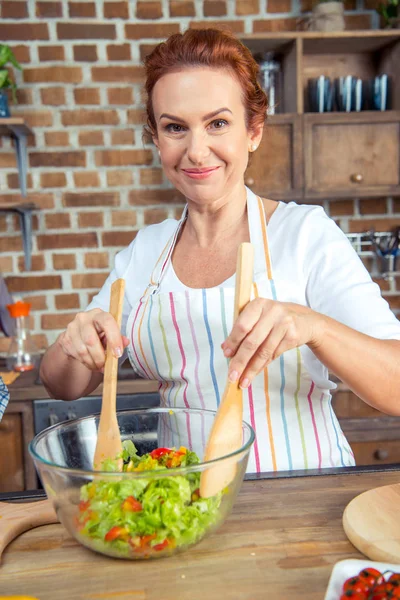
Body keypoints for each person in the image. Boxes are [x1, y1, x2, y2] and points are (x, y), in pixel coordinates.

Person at [40, 28, 400, 473]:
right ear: (157, 139)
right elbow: (62, 384)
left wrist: (315, 327)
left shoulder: (304, 234)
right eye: (175, 127)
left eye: (218, 123)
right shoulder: (146, 252)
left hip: (306, 500)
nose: (196, 150)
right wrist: (74, 345)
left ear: (253, 131)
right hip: (188, 510)